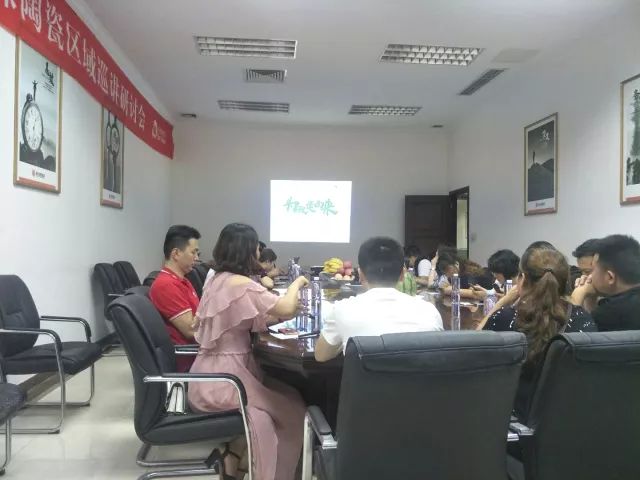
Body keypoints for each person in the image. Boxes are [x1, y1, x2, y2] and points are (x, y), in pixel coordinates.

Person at [188, 223, 307, 480]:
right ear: (248, 250)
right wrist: (297, 282)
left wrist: (279, 313)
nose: (258, 252)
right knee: (290, 411)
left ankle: (234, 459)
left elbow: (244, 318)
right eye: (256, 248)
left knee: (291, 399)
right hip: (226, 380)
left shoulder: (218, 279)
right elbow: (286, 307)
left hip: (211, 373)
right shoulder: (239, 283)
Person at [479, 246, 596, 419]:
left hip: (512, 422)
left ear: (522, 279)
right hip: (568, 422)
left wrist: (502, 302)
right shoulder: (584, 320)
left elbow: (474, 348)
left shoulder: (506, 318)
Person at [315, 237, 443, 362]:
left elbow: (321, 356)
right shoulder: (429, 312)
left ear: (360, 274)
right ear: (402, 275)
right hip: (416, 377)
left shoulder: (342, 310)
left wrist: (344, 337)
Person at [149, 225, 201, 372]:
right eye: (193, 252)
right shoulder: (166, 285)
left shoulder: (183, 280)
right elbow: (191, 330)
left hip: (198, 352)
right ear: (176, 253)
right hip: (190, 359)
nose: (197, 258)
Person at [571, 234, 640, 331]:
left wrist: (578, 294)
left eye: (593, 270)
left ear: (610, 277)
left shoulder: (610, 313)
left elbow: (573, 336)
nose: (587, 277)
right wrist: (591, 298)